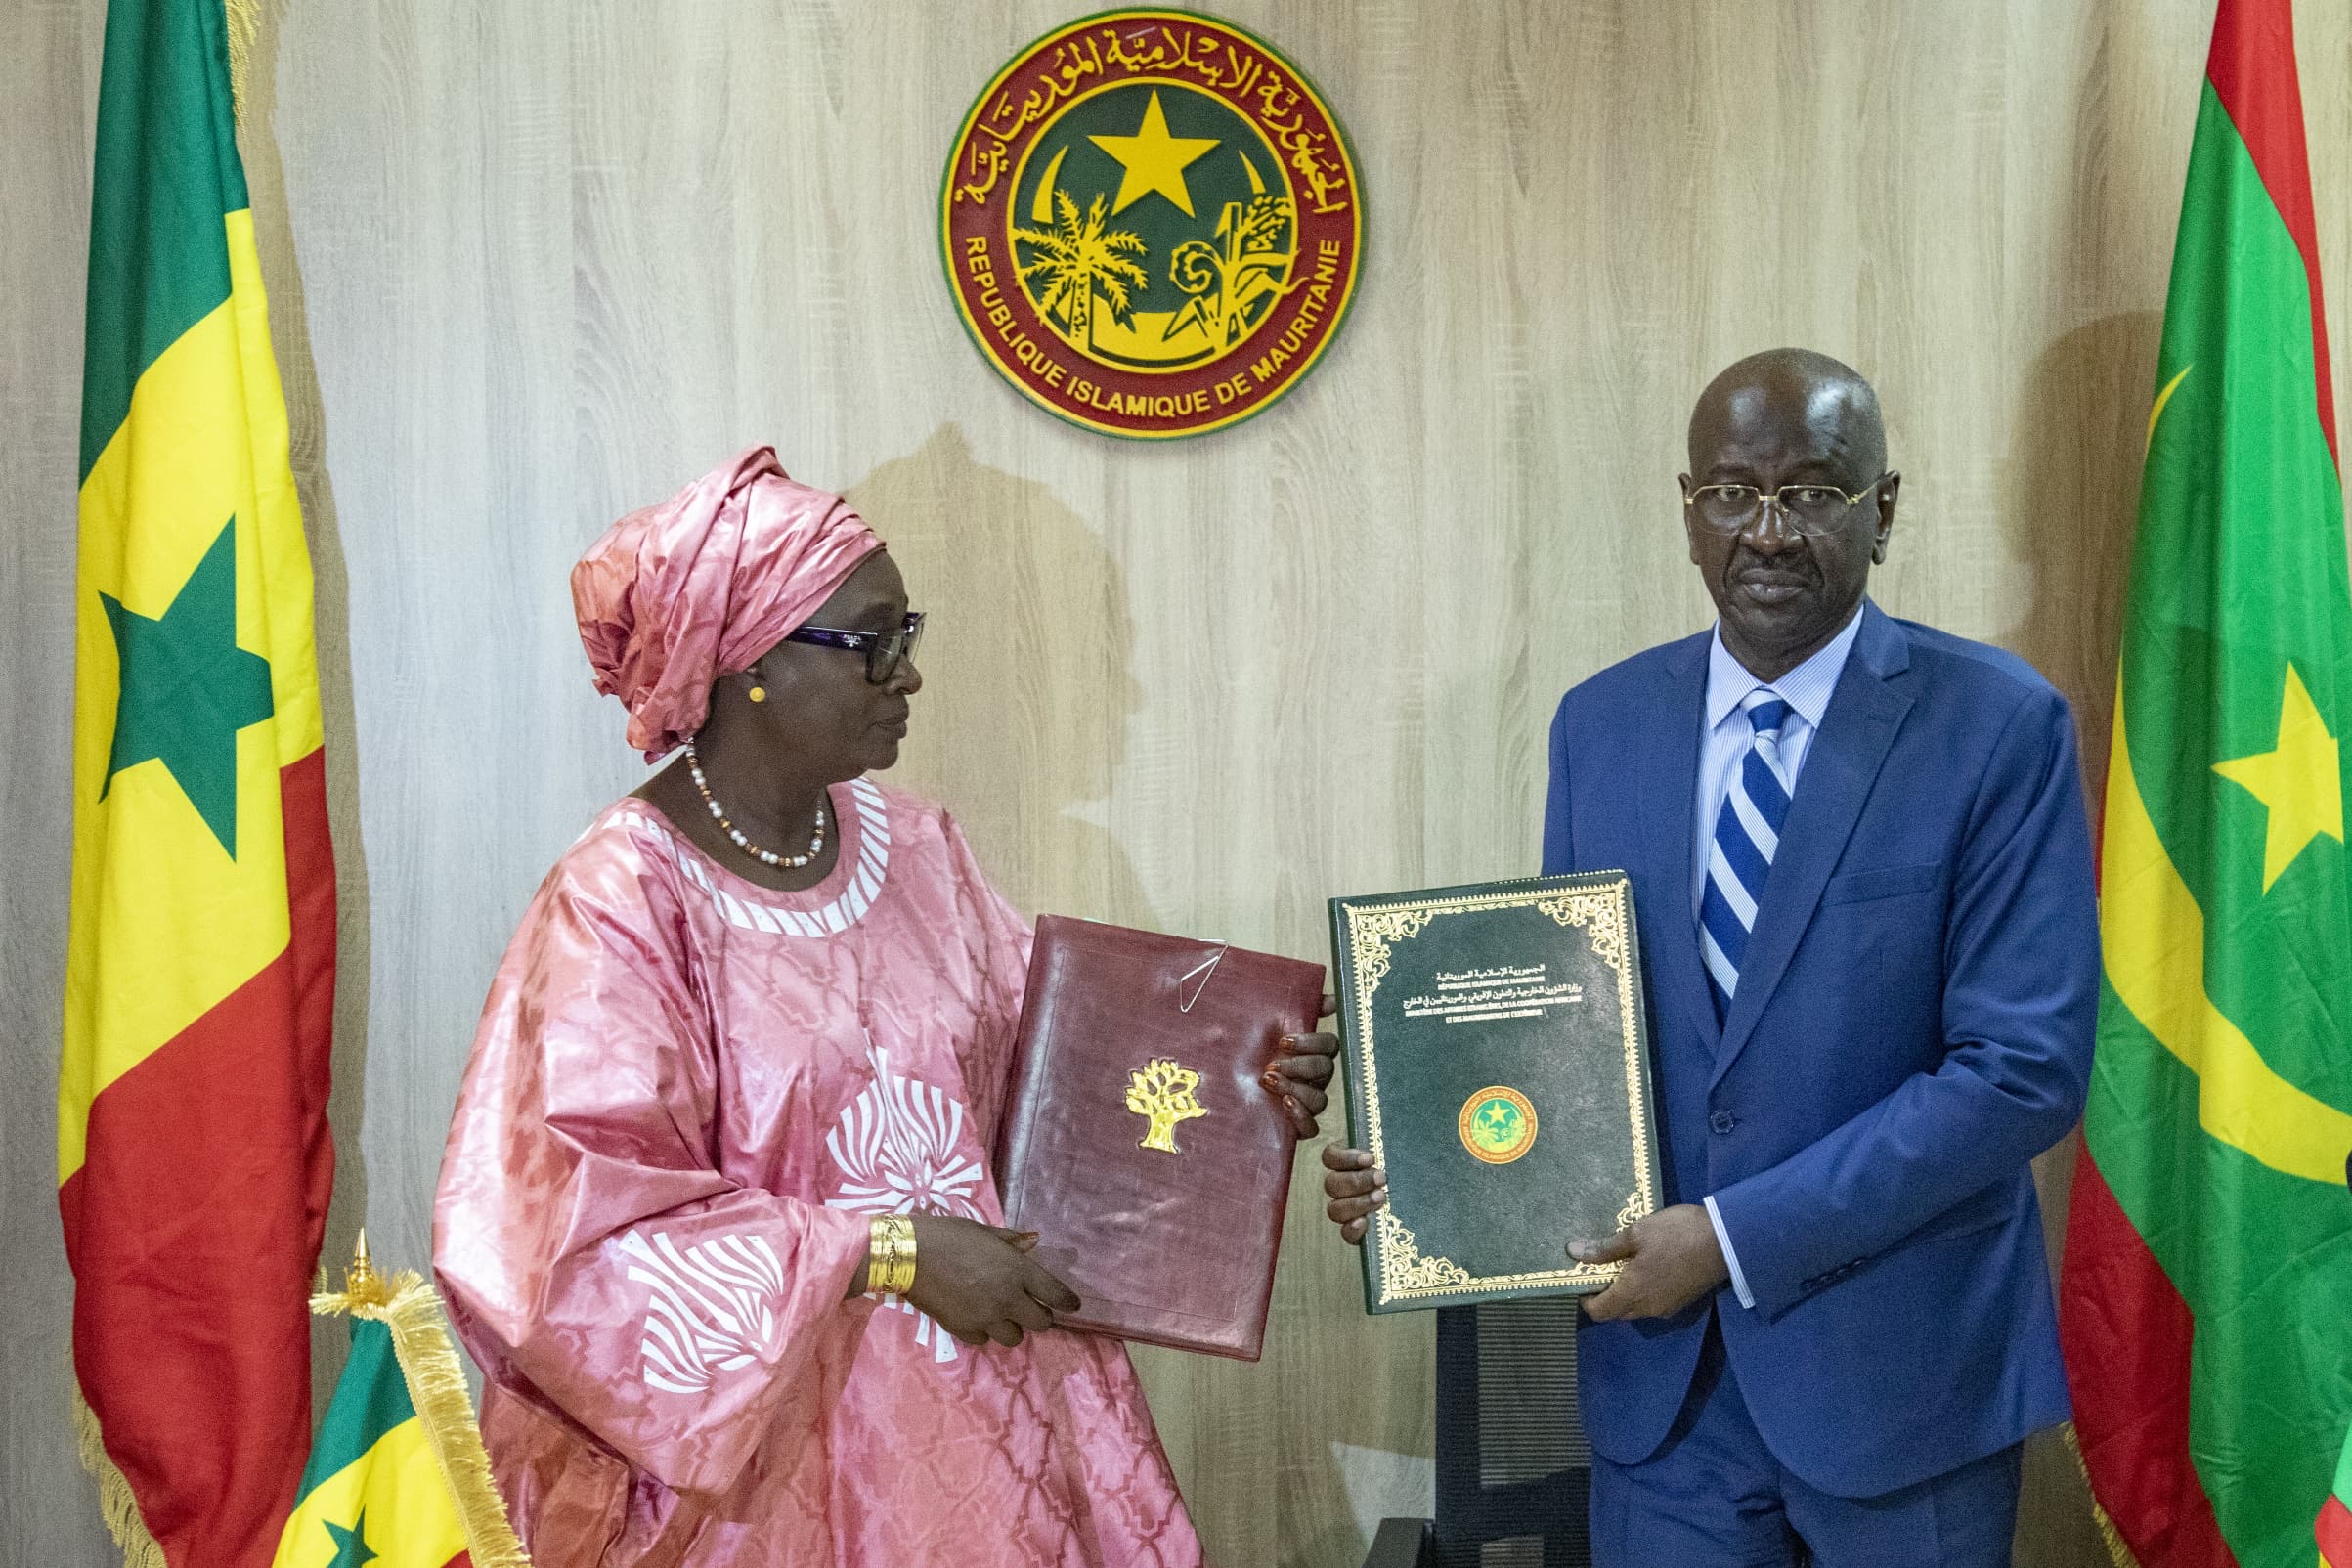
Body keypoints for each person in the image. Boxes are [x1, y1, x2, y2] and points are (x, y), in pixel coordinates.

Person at [434, 447, 1339, 1568]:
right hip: (768, 1480)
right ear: (748, 656)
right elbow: (565, 1242)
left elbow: (1050, 1077)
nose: (906, 674)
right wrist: (891, 1251)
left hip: (995, 1436)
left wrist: (1234, 1080)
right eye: (873, 642)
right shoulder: (621, 897)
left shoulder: (914, 846)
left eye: (907, 633)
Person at [1323, 350, 2099, 1567]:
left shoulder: (2000, 724)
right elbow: (1560, 1030)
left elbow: (2021, 1073)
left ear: (1883, 508)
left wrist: (1730, 1238)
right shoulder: (1600, 723)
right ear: (1690, 511)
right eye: (1734, 492)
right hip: (1664, 1405)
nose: (1769, 531)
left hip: (1902, 1385)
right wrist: (1422, 1165)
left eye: (1814, 491)